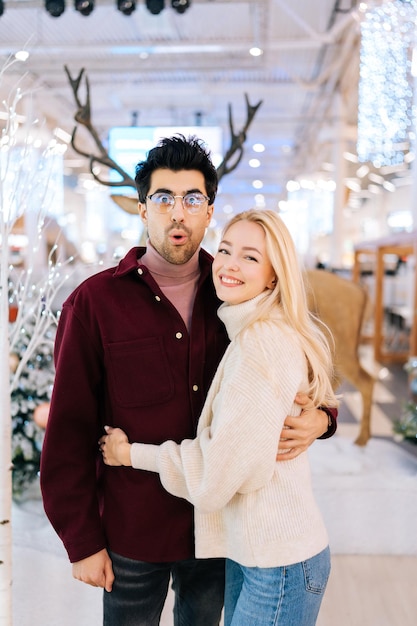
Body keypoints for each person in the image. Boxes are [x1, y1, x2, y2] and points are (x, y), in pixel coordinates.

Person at [40, 135, 337, 626]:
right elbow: (69, 429)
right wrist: (81, 542)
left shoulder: (240, 299)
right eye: (163, 198)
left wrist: (321, 419)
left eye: (192, 199)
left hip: (219, 538)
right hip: (134, 535)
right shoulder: (94, 304)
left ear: (209, 210)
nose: (178, 213)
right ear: (142, 209)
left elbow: (305, 368)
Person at [100, 208, 339, 626]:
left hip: (277, 561)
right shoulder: (253, 327)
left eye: (250, 257)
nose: (228, 264)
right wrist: (321, 417)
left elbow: (213, 477)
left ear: (274, 275)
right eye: (226, 249)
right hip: (257, 552)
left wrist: (129, 453)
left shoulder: (260, 343)